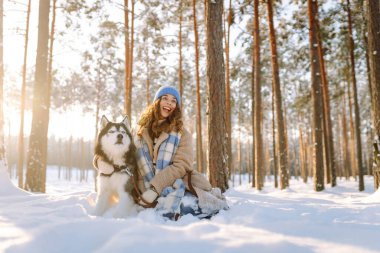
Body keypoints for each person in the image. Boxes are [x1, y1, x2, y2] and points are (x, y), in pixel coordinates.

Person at [134, 85, 228, 220]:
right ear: (157, 102)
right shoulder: (139, 131)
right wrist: (99, 160)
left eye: (173, 101)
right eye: (165, 98)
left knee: (187, 207)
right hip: (143, 188)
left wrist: (155, 189)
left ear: (176, 107)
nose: (169, 103)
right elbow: (124, 155)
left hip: (173, 186)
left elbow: (181, 166)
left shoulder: (182, 134)